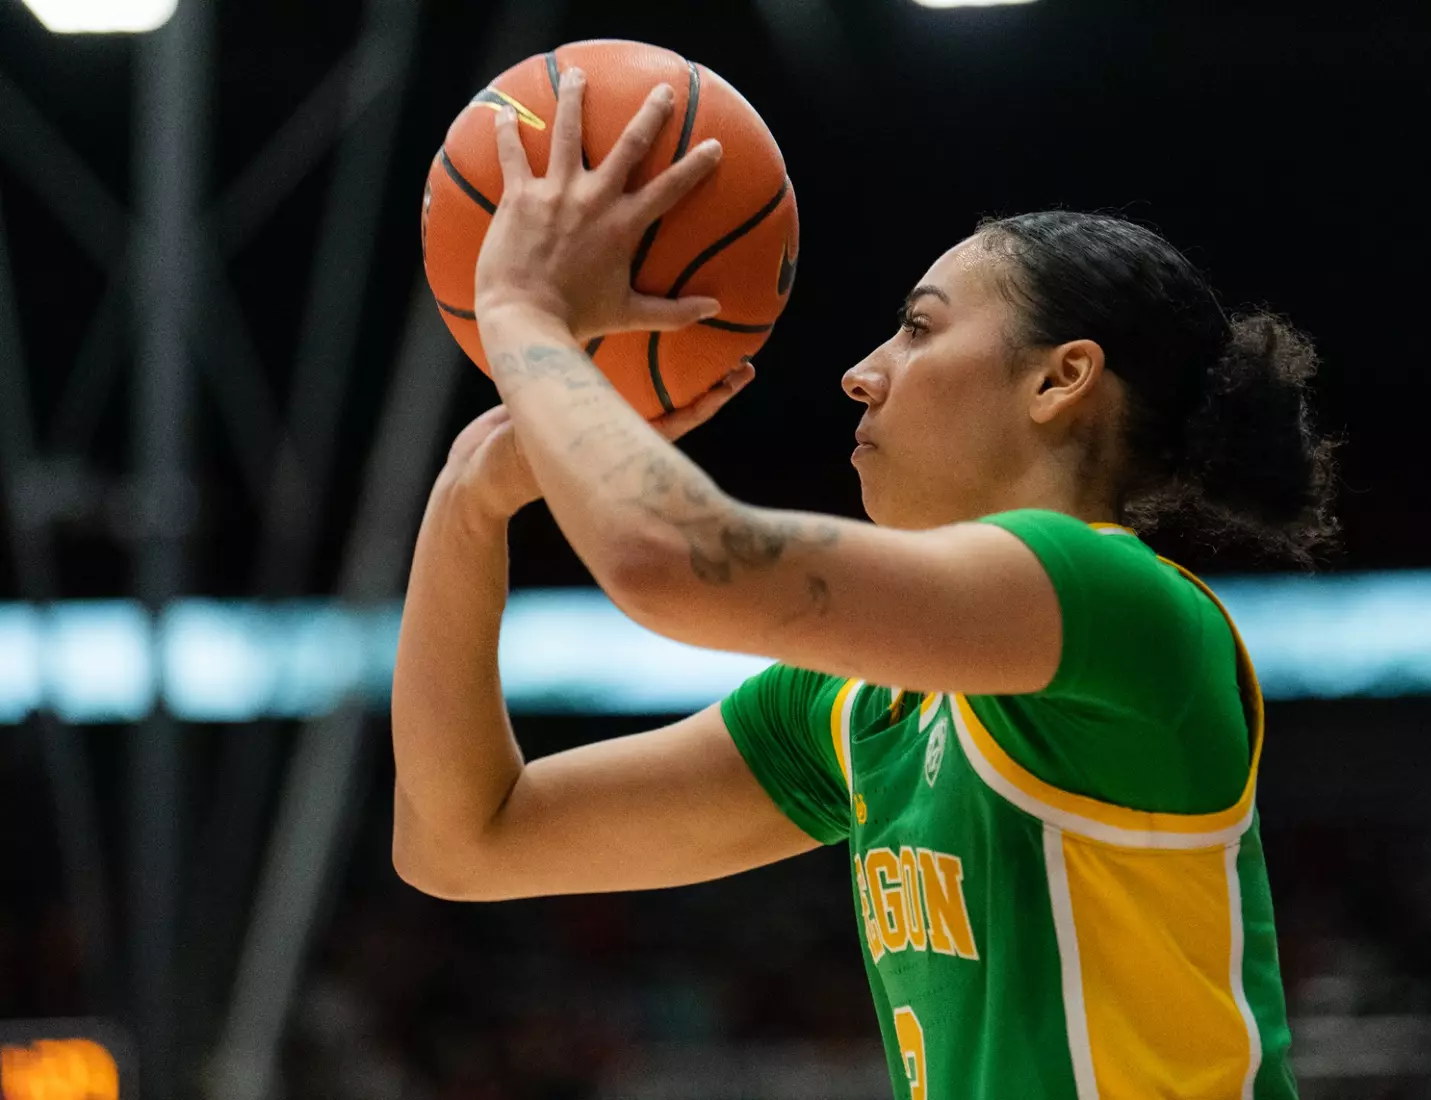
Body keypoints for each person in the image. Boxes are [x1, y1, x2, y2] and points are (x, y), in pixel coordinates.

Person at [391, 69, 1334, 1100]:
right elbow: (464, 839)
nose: (862, 370)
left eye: (920, 328)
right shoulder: (857, 703)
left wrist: (524, 308)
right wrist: (468, 502)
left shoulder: (1120, 605)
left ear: (1059, 379)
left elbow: (666, 560)